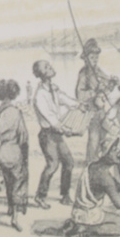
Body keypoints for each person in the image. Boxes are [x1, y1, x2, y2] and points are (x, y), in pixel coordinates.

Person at [62, 137, 120, 237]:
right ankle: (84, 228)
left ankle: (77, 224)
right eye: (114, 150)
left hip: (78, 211)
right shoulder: (104, 176)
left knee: (114, 218)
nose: (119, 153)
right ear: (106, 153)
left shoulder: (95, 166)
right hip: (88, 214)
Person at [32, 59, 78, 209]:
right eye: (47, 67)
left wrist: (79, 104)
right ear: (42, 74)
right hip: (47, 135)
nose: (51, 68)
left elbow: (66, 100)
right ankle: (40, 196)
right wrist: (65, 129)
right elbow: (51, 119)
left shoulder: (54, 88)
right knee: (52, 165)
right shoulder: (40, 95)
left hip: (56, 134)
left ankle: (64, 195)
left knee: (69, 162)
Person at [0, 79, 29, 232]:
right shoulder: (16, 112)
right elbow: (23, 135)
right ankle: (14, 217)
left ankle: (9, 208)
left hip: (2, 152)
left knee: (8, 182)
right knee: (18, 182)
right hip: (14, 151)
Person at [74, 38, 118, 161]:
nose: (95, 59)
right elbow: (79, 95)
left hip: (101, 110)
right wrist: (94, 92)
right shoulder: (84, 74)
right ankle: (90, 164)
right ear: (86, 58)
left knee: (106, 136)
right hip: (91, 112)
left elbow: (105, 91)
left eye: (96, 57)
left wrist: (112, 84)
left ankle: (102, 162)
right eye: (92, 57)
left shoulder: (99, 71)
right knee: (94, 138)